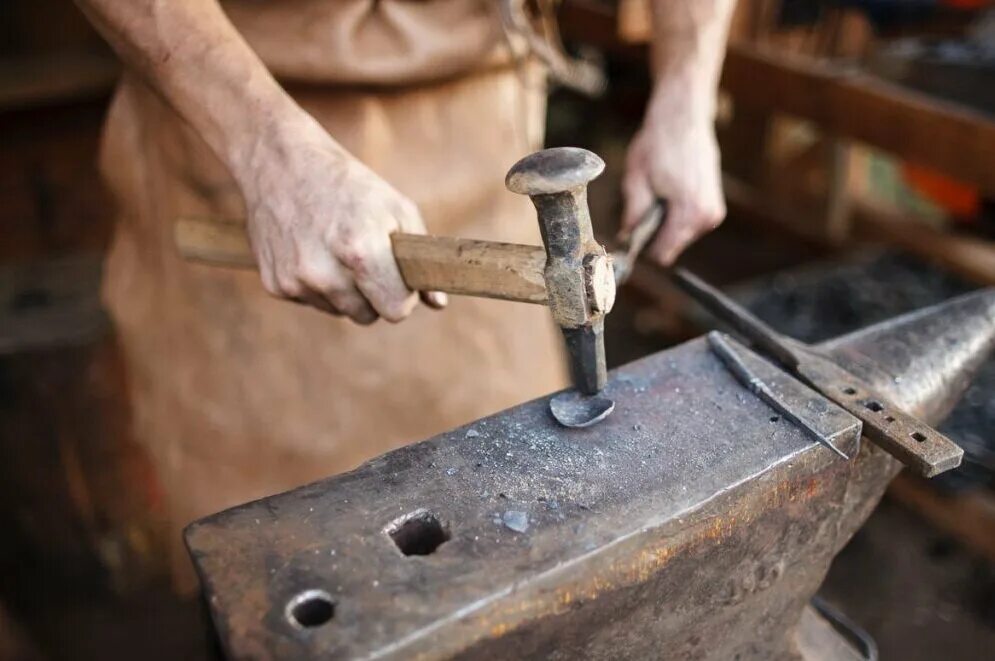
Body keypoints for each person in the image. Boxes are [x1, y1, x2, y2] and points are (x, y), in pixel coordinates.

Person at [74, 0, 736, 589]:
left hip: (480, 136)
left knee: (512, 526)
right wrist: (267, 154)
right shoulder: (255, 154)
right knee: (281, 566)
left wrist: (686, 94)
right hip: (233, 134)